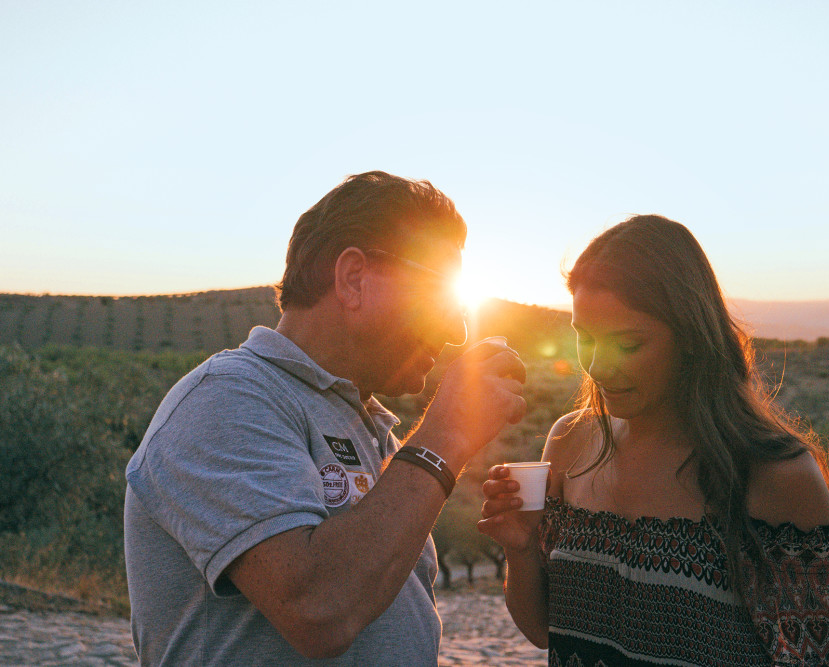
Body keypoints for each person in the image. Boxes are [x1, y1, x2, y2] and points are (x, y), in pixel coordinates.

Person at [124, 171, 527, 665]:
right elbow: (317, 609)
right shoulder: (225, 400)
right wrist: (446, 436)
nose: (457, 332)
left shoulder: (369, 427)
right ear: (353, 279)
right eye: (440, 297)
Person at [480, 215, 829, 666]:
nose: (598, 367)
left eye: (628, 345)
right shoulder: (570, 442)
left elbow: (813, 659)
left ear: (690, 337)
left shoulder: (774, 475)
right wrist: (520, 547)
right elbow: (543, 630)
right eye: (584, 338)